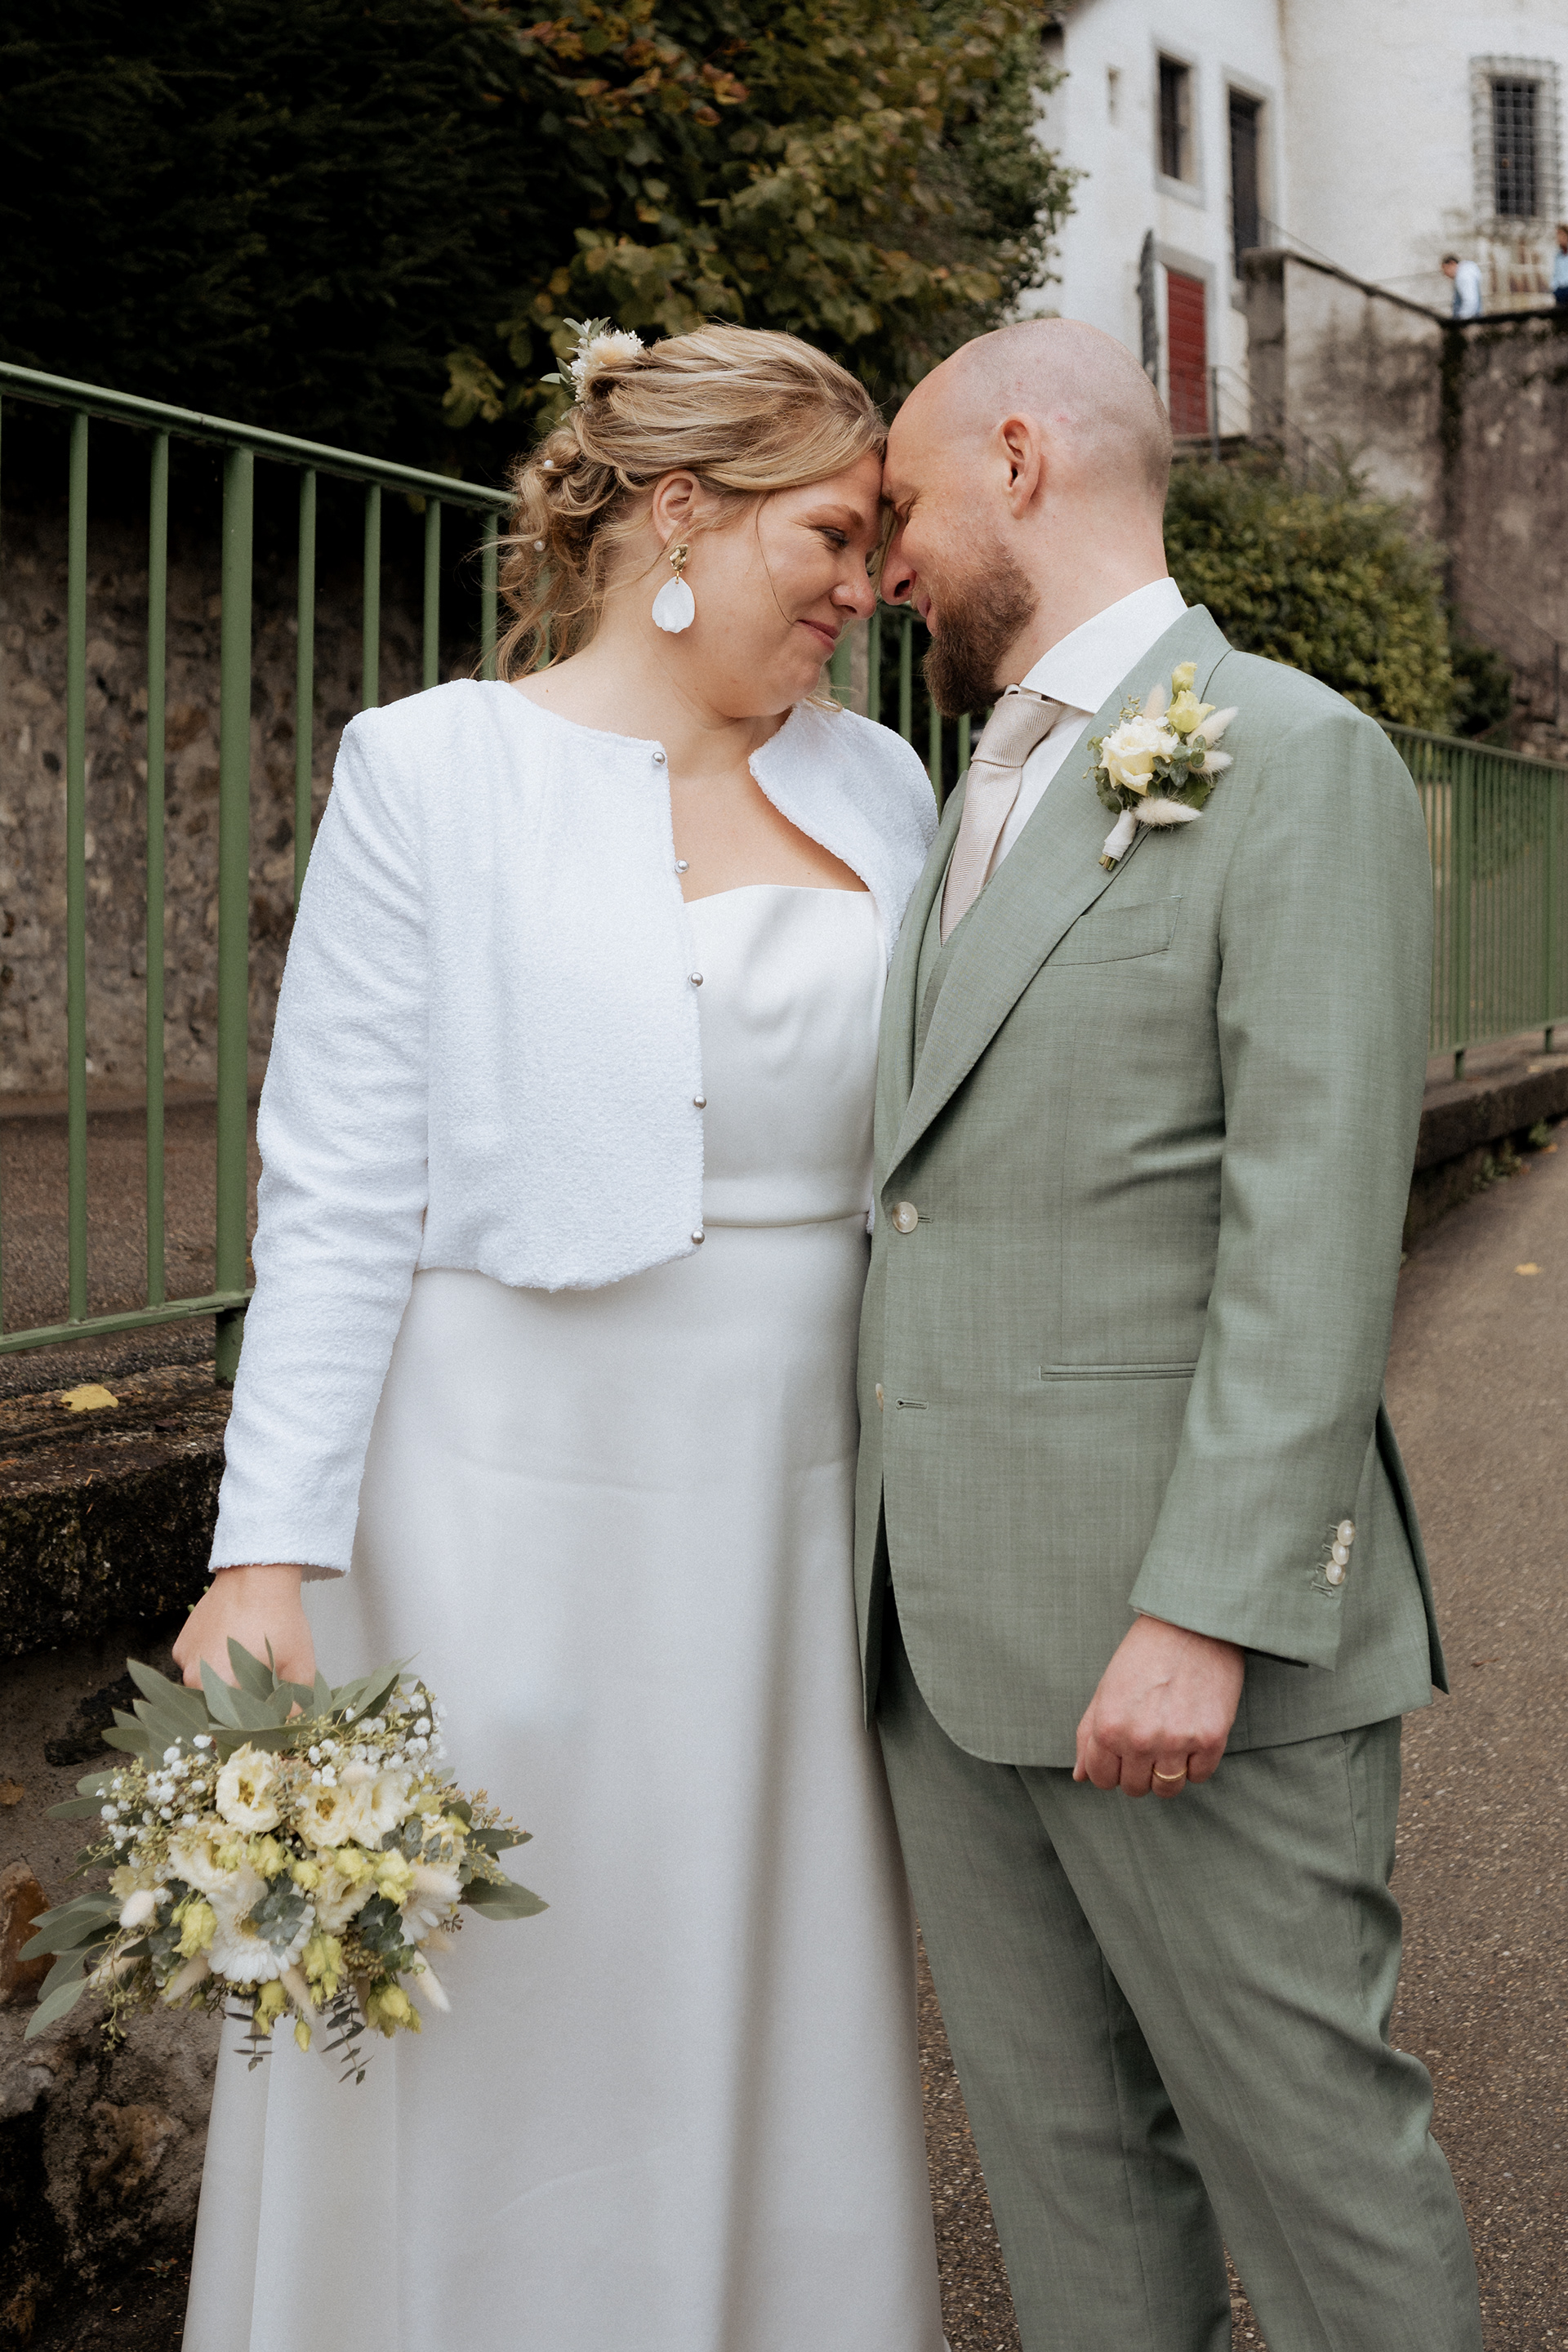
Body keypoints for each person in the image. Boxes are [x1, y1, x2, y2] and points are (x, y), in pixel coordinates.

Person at [174, 323, 948, 2352]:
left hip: (800, 1480)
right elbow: (336, 1184)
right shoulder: (430, 768)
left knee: (755, 1933)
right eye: (830, 533)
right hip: (497, 1490)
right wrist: (269, 1553)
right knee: (518, 1970)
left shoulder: (882, 782)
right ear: (680, 513)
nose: (865, 584)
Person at [855, 317, 1484, 2351]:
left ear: (1019, 459)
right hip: (942, 1643)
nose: (884, 561)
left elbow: (1313, 1222)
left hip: (1177, 1636)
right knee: (1071, 2184)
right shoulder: (971, 786)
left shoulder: (1294, 755)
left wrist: (1203, 1607)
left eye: (902, 505)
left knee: (1314, 2175)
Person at [1442, 251, 1484, 318]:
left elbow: (1470, 301)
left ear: (1452, 263)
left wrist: (1462, 319)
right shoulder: (1466, 271)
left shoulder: (1463, 277)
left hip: (1468, 319)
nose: (1445, 274)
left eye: (1445, 269)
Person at [1553, 222, 1568, 307]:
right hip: (1560, 292)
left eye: (1562, 235)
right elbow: (1556, 274)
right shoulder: (1558, 256)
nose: (1559, 238)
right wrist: (1554, 288)